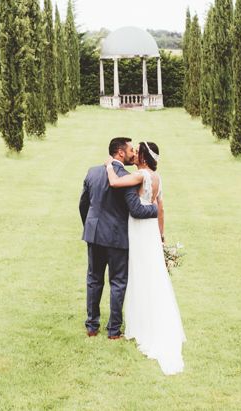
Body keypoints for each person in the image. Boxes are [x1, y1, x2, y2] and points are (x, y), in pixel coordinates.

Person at [106, 141, 186, 375]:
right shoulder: (158, 178)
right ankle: (152, 319)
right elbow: (161, 209)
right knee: (153, 273)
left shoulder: (141, 175)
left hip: (139, 231)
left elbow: (114, 182)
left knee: (139, 272)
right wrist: (161, 237)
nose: (135, 155)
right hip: (151, 232)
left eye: (137, 152)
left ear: (142, 157)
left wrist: (110, 164)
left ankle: (142, 325)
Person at [79, 137, 158, 339]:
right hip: (117, 238)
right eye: (131, 150)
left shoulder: (93, 172)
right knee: (118, 282)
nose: (134, 154)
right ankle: (114, 330)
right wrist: (157, 209)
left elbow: (83, 205)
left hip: (95, 235)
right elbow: (136, 209)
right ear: (121, 153)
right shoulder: (128, 178)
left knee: (94, 280)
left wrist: (89, 227)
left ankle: (91, 326)